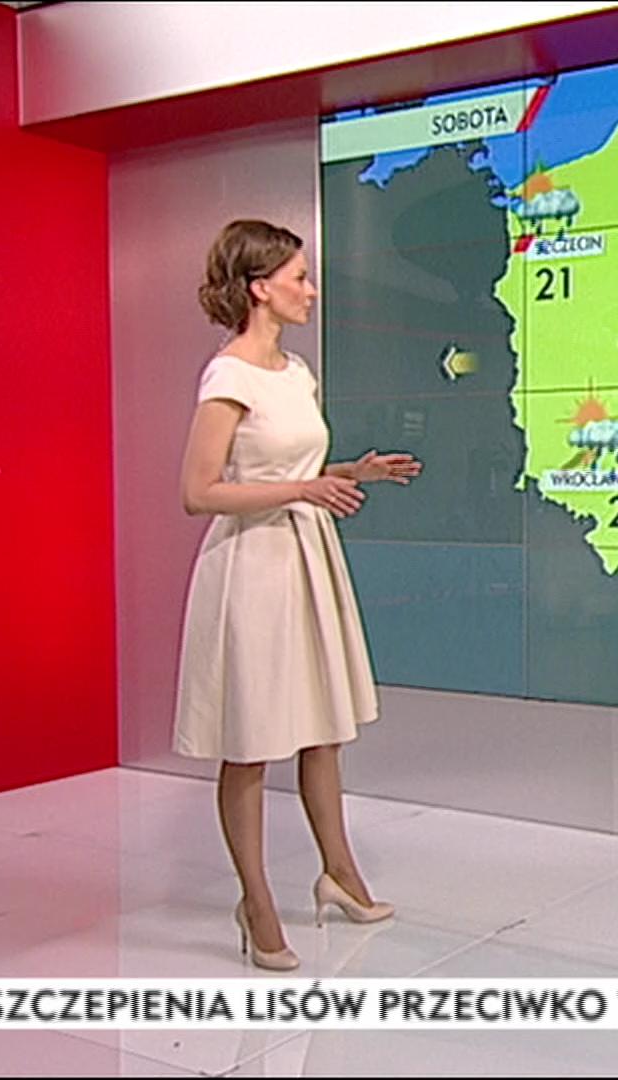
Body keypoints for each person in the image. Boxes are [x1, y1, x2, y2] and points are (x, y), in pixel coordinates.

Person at [173, 220, 422, 970]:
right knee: (251, 745)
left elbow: (292, 468)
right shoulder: (228, 377)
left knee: (323, 730)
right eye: (299, 278)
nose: (311, 291)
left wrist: (350, 472)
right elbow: (200, 492)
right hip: (252, 568)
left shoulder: (297, 372)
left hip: (308, 557)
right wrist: (305, 489)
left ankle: (339, 874)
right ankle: (255, 904)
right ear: (260, 288)